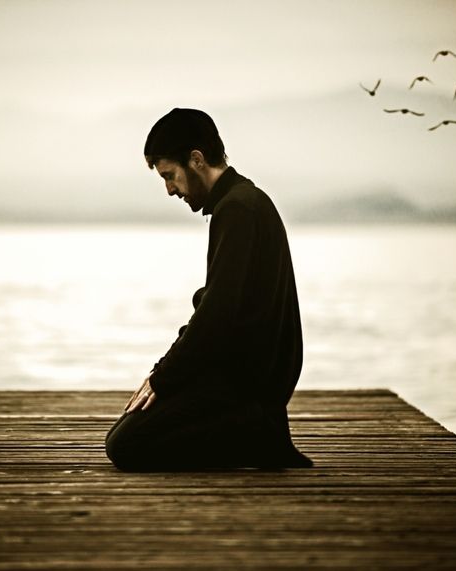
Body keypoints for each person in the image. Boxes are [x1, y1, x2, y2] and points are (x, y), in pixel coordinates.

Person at [105, 108, 312, 471]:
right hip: (242, 377)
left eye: (170, 176)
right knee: (124, 431)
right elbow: (215, 309)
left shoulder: (239, 210)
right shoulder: (242, 203)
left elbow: (216, 315)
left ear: (197, 160)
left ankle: (256, 435)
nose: (170, 190)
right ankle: (254, 432)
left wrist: (163, 378)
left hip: (246, 387)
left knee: (125, 445)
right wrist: (163, 374)